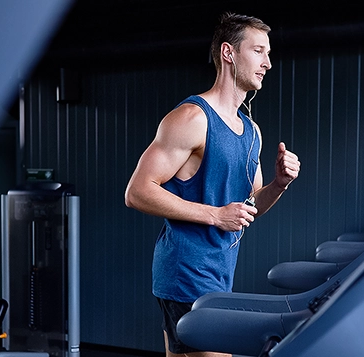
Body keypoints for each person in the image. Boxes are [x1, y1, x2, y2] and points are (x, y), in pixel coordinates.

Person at [124, 12, 300, 357]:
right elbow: (138, 191)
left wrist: (279, 184)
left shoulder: (252, 131)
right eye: (259, 51)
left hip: (219, 272)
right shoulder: (191, 118)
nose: (268, 63)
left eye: (268, 53)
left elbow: (249, 208)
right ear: (228, 53)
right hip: (186, 271)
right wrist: (215, 215)